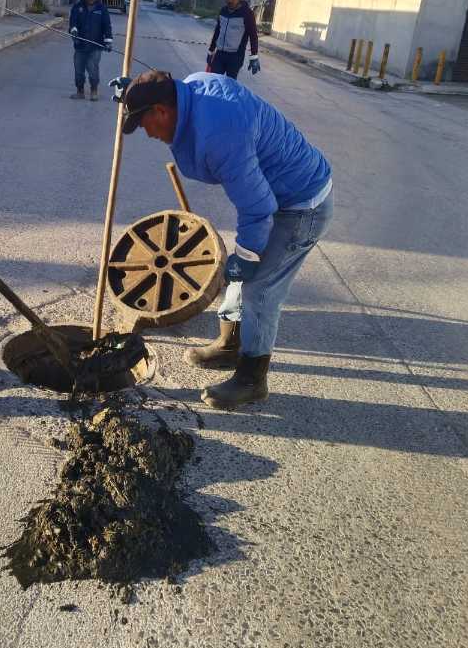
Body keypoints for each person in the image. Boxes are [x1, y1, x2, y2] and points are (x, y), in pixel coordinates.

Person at [109, 69, 333, 410]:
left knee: (258, 288)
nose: (147, 133)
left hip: (303, 204)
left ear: (162, 111)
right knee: (238, 273)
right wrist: (133, 94)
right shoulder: (190, 90)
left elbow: (258, 209)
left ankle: (252, 379)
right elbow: (164, 86)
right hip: (277, 194)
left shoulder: (219, 134)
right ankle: (231, 345)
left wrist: (245, 258)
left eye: (144, 124)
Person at [68, 0, 113, 101]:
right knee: (79, 71)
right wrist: (73, 31)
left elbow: (107, 26)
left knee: (93, 70)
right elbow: (73, 22)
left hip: (95, 46)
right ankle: (80, 91)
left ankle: (94, 91)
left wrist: (108, 41)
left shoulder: (102, 9)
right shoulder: (77, 7)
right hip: (80, 45)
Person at [207, 0, 259, 80]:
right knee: (214, 81)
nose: (230, 0)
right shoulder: (223, 11)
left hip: (235, 57)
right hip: (220, 54)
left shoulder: (247, 13)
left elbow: (253, 36)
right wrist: (211, 51)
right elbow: (218, 31)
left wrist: (254, 56)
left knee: (230, 85)